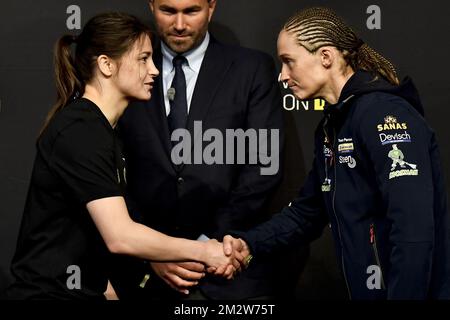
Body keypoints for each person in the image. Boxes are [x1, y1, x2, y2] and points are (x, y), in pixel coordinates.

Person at [3, 12, 239, 300]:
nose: (154, 70)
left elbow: (91, 239)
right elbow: (120, 236)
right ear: (106, 64)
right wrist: (205, 251)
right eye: (143, 59)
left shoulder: (102, 130)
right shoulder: (81, 129)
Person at [224, 7, 450, 300]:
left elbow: (414, 233)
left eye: (289, 62)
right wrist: (250, 244)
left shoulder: (384, 115)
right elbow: (307, 212)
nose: (282, 76)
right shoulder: (333, 126)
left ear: (326, 57)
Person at [114, 0, 285, 300]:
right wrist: (152, 251)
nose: (179, 25)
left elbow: (262, 167)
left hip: (228, 273)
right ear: (151, 6)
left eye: (191, 11)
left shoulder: (251, 68)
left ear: (211, 7)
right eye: (168, 11)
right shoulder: (124, 67)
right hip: (143, 277)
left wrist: (206, 246)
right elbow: (110, 169)